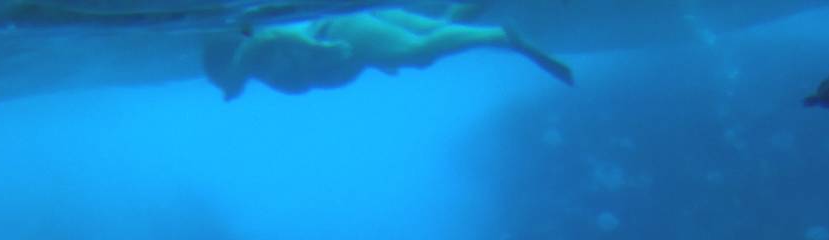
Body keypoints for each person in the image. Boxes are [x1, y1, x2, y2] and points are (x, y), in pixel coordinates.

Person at [200, 6, 572, 99]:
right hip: (358, 32)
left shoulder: (260, 51)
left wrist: (315, 46)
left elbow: (262, 39)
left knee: (418, 52)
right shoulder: (272, 69)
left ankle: (498, 35)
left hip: (343, 29)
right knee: (436, 32)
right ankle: (474, 15)